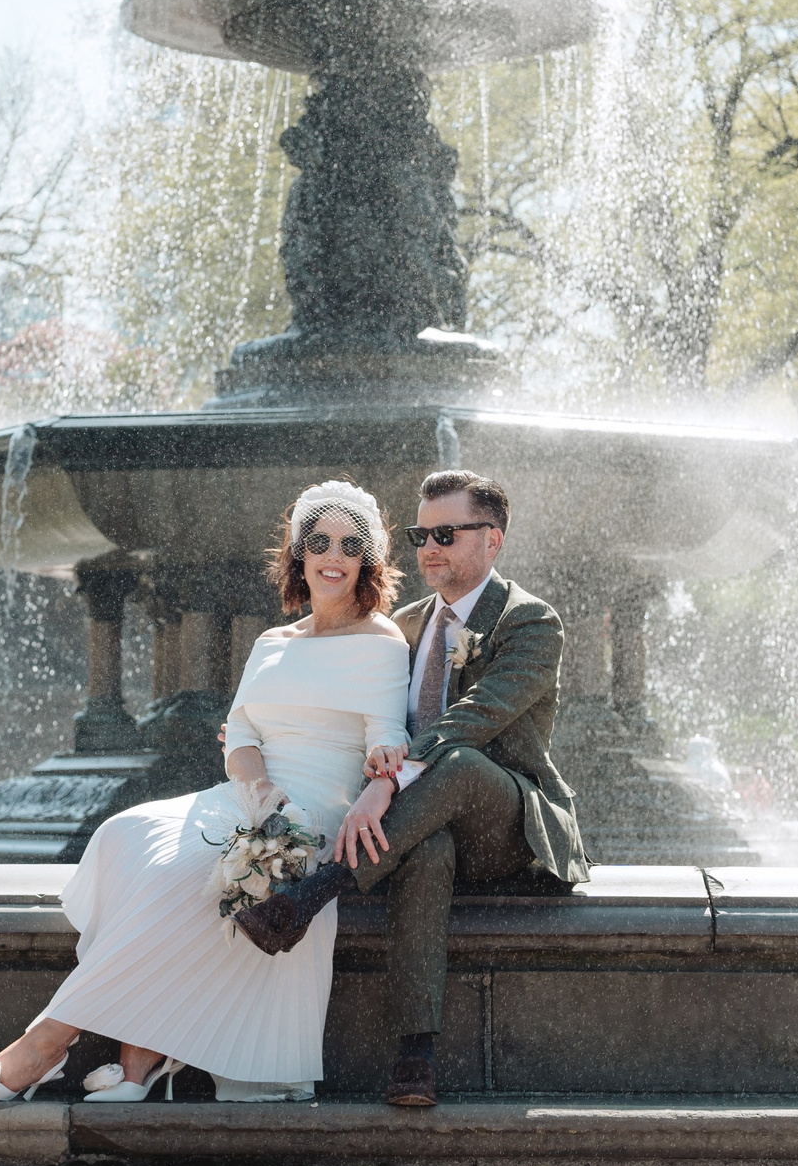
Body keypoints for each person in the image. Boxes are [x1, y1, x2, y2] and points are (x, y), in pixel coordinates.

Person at [0, 480, 412, 1106]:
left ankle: (45, 1046)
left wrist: (380, 769)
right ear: (299, 553)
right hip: (252, 795)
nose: (334, 556)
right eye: (320, 541)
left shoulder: (381, 641)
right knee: (126, 835)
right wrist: (260, 793)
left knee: (184, 870)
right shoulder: (272, 642)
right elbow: (240, 734)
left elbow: (386, 735)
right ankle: (136, 1066)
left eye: (350, 545)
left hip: (313, 816)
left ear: (367, 560)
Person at [224, 470, 588, 1108]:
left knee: (463, 763)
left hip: (504, 823)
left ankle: (312, 894)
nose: (430, 549)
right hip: (418, 825)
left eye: (447, 534)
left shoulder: (531, 621)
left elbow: (473, 719)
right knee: (427, 848)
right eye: (421, 536)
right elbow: (372, 719)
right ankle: (416, 1054)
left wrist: (387, 782)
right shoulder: (404, 624)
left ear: (493, 539)